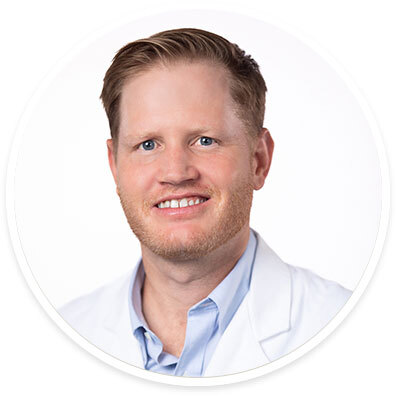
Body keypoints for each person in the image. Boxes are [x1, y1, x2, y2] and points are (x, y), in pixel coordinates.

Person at [59, 28, 352, 377]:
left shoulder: (354, 333)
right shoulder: (56, 341)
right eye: (148, 145)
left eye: (205, 140)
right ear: (115, 166)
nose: (175, 172)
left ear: (258, 160)